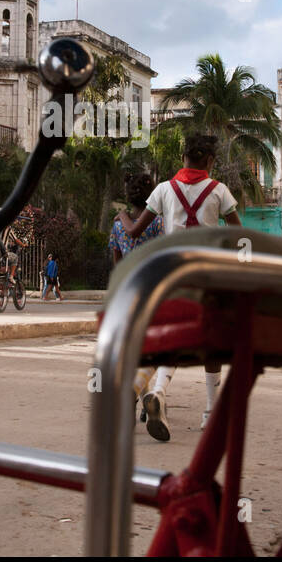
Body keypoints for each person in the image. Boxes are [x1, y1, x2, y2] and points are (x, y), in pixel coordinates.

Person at [117, 135, 241, 441]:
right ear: (210, 161)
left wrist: (121, 214)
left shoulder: (163, 190)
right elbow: (239, 235)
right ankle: (210, 413)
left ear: (183, 158)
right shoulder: (218, 190)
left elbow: (133, 232)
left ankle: (152, 392)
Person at [108, 171, 164, 414]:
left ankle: (142, 398)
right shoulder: (159, 223)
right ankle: (142, 395)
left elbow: (116, 261)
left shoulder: (118, 224)